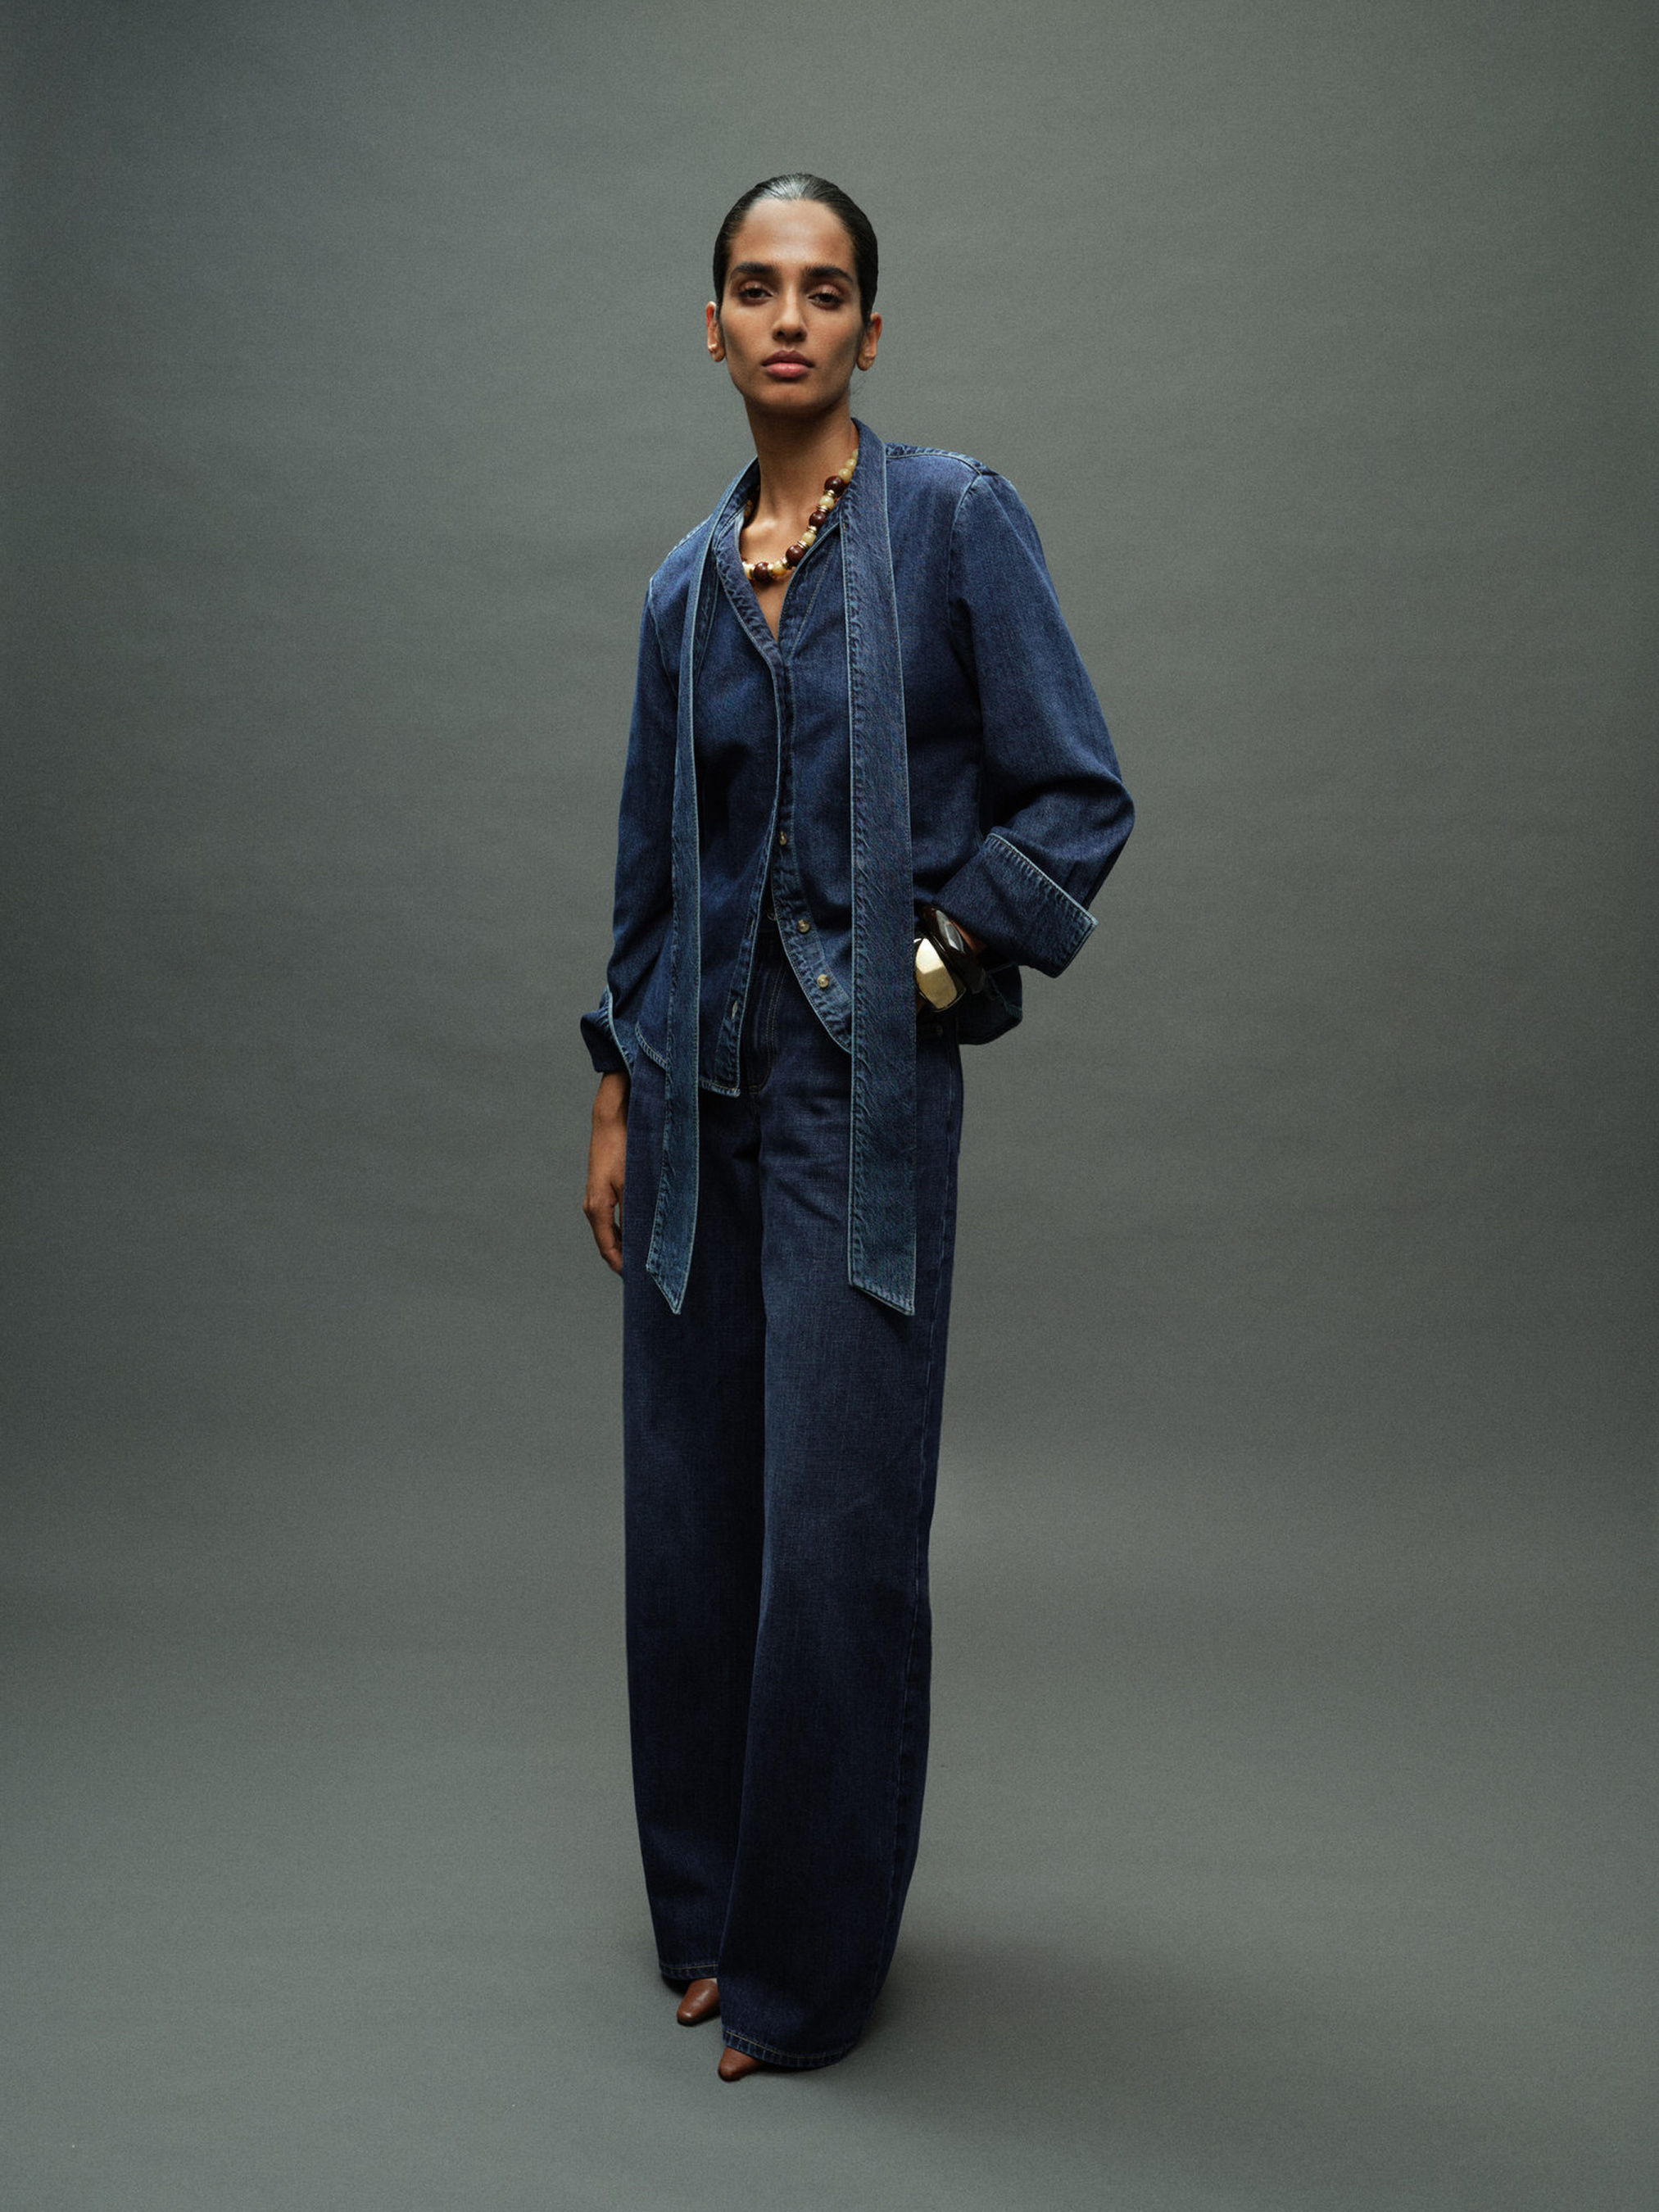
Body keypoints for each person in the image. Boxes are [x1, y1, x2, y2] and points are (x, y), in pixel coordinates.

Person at [580, 174, 1133, 2081]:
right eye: (755, 287)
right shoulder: (680, 586)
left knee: (830, 1539)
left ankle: (802, 1974)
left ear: (868, 332)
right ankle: (706, 1918)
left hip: (855, 1105)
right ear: (711, 327)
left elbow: (1076, 795)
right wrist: (613, 1091)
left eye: (823, 291)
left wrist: (932, 959)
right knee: (687, 1532)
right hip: (689, 1107)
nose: (789, 318)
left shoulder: (951, 519)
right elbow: (651, 873)